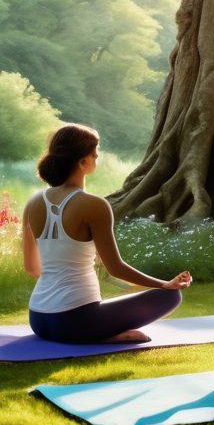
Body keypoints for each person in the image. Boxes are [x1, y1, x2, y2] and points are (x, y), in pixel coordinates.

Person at [22, 124, 191, 343]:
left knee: (93, 310)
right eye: (95, 155)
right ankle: (103, 337)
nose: (97, 158)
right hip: (75, 322)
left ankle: (96, 332)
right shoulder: (94, 205)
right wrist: (164, 285)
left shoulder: (33, 203)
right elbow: (115, 268)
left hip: (38, 319)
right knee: (170, 297)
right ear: (83, 162)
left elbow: (32, 268)